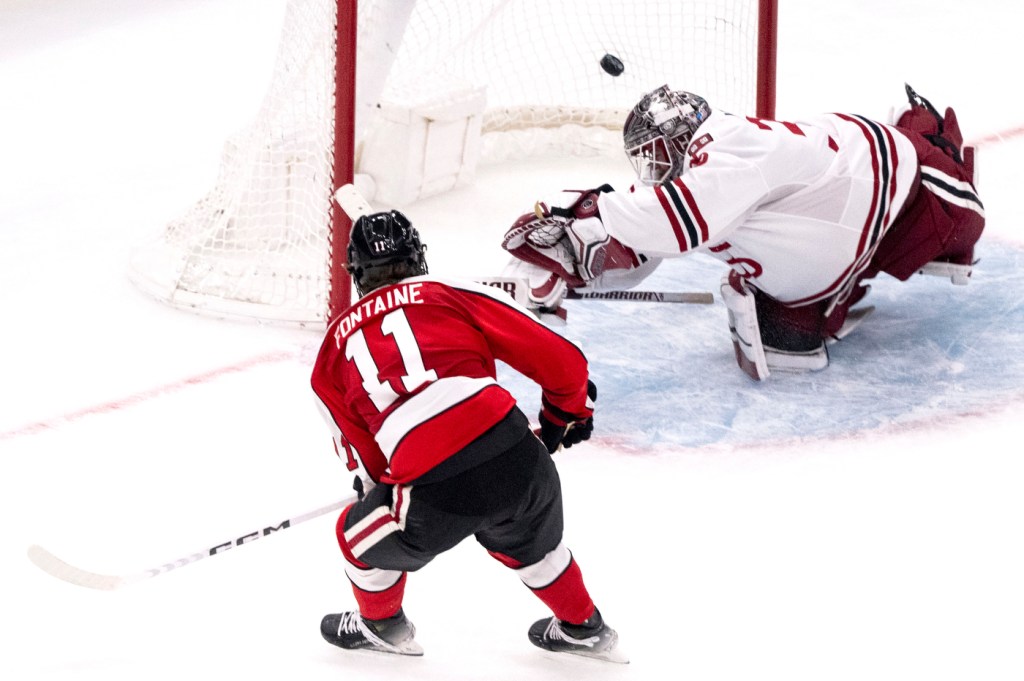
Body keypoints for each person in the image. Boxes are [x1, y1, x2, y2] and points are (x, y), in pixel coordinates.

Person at [502, 84, 985, 380]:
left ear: (679, 138)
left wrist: (595, 214)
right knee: (787, 340)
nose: (651, 166)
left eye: (654, 151)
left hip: (906, 184)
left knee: (962, 219)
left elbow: (676, 222)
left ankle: (926, 137)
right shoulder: (705, 163)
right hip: (851, 223)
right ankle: (833, 292)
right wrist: (581, 266)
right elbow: (653, 230)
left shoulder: (729, 150)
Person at [310, 210, 626, 663]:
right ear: (417, 258)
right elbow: (564, 362)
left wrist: (377, 490)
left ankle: (382, 625)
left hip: (438, 488)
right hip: (519, 454)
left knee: (355, 536)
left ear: (355, 273)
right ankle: (584, 628)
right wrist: (562, 418)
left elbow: (367, 456)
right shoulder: (447, 292)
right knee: (531, 543)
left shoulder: (331, 351)